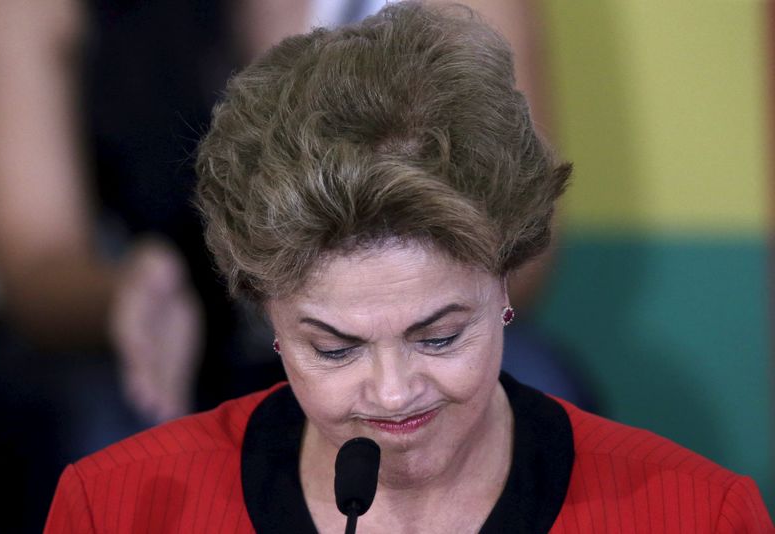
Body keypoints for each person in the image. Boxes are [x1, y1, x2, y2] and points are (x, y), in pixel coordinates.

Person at [43, 3, 773, 532]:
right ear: (268, 311)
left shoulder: (697, 515)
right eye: (334, 347)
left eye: (440, 336)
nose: (392, 395)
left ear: (504, 280)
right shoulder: (116, 508)